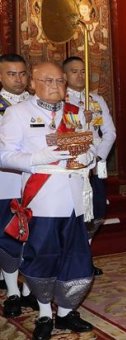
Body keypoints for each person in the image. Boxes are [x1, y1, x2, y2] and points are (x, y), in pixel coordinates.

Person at [0, 62, 97, 339]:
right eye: (48, 81)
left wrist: (88, 157)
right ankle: (44, 312)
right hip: (42, 197)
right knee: (43, 256)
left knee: (77, 256)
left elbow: (88, 146)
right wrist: (38, 159)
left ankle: (66, 312)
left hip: (76, 198)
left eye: (60, 81)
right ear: (33, 83)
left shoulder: (75, 113)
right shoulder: (18, 113)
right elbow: (4, 155)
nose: (56, 86)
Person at [63, 56, 117, 276]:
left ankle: (85, 255)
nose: (79, 75)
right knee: (73, 211)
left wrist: (99, 158)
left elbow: (110, 132)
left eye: (83, 71)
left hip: (94, 164)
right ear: (65, 76)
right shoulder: (60, 100)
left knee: (96, 210)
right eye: (74, 71)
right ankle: (69, 258)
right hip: (71, 166)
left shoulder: (96, 99)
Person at [0, 53, 39, 318]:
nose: (18, 79)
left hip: (33, 182)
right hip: (5, 180)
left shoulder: (37, 103)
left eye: (22, 73)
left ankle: (29, 290)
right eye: (11, 74)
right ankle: (12, 291)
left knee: (33, 237)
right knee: (8, 237)